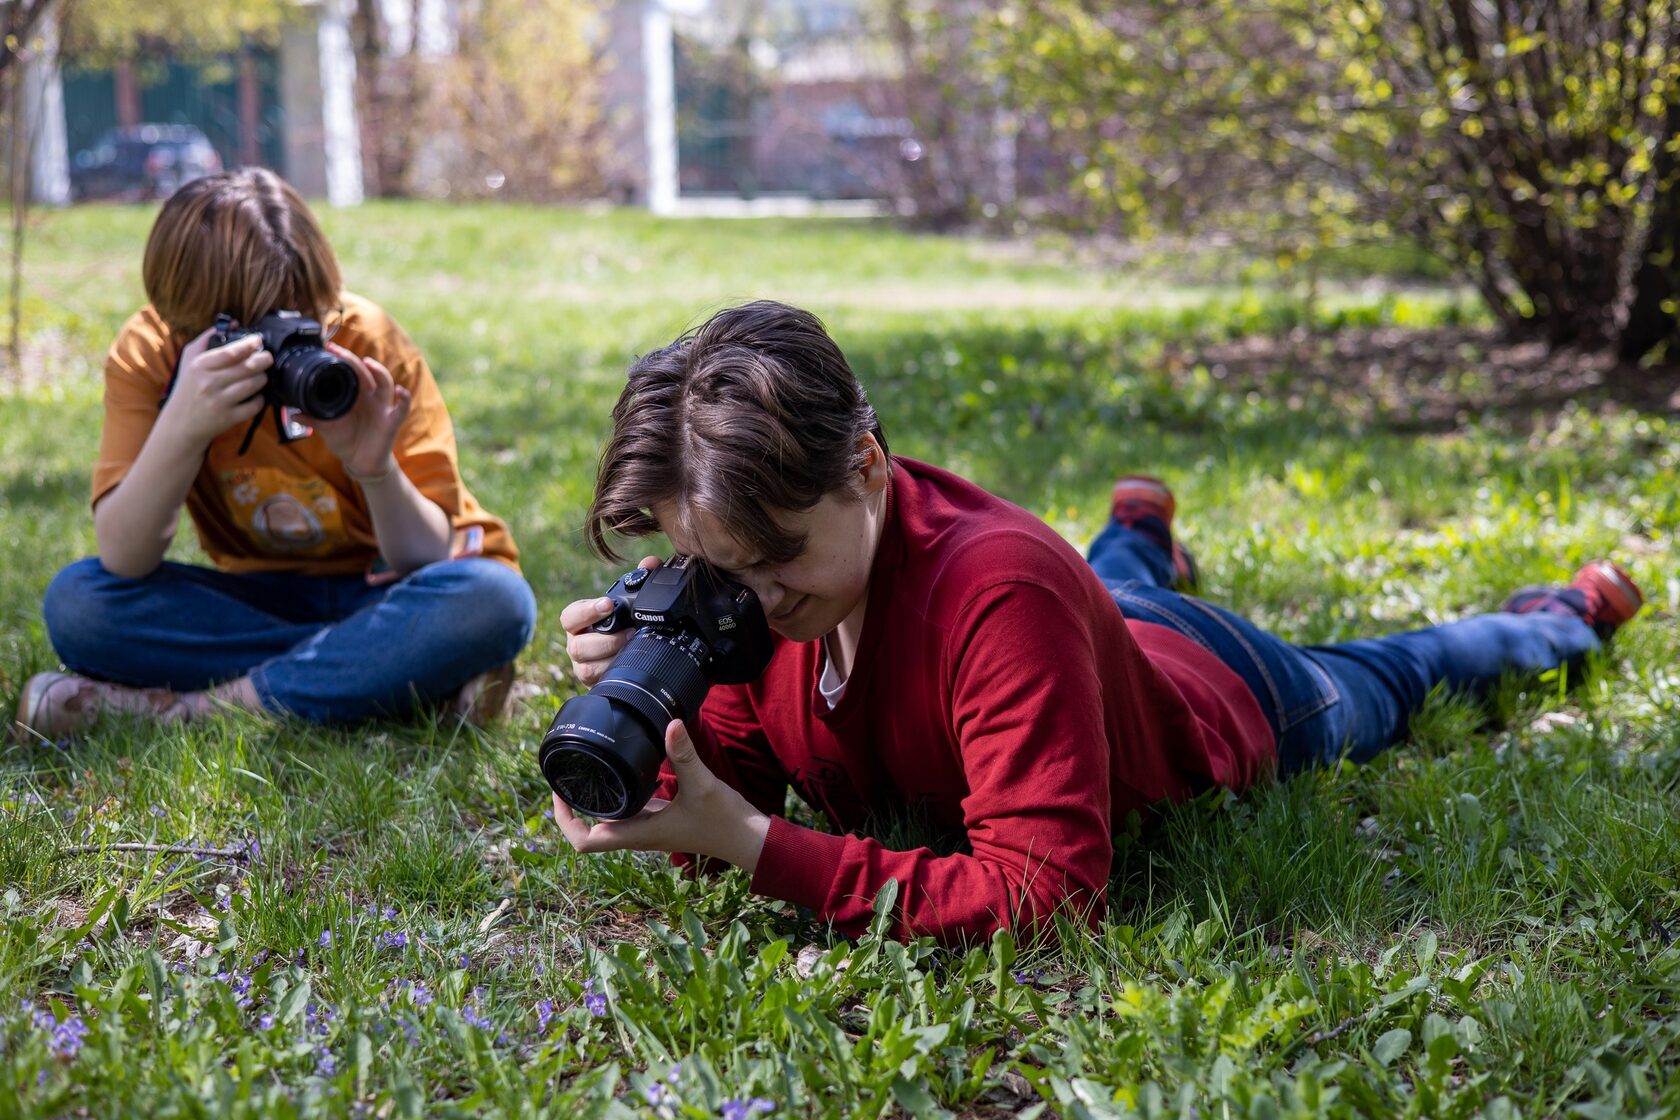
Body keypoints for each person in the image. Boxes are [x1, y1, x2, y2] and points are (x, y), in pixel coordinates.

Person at [552, 300, 1643, 944]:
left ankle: (1560, 619)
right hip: (1083, 627)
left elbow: (1044, 891)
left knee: (1401, 676)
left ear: (870, 467)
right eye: (721, 572)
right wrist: (648, 735)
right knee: (1111, 584)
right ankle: (1135, 530)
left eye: (782, 558)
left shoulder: (999, 594)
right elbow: (729, 794)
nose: (759, 601)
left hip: (1216, 688)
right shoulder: (744, 574)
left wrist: (751, 847)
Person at [13, 168, 536, 741]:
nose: (289, 345)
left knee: (494, 600)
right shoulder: (153, 355)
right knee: (80, 605)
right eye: (260, 333)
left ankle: (194, 711)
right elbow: (124, 558)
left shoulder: (364, 342)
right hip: (260, 602)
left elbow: (429, 556)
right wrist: (182, 426)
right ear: (186, 317)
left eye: (305, 320)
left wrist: (376, 470)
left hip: (388, 590)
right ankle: (392, 674)